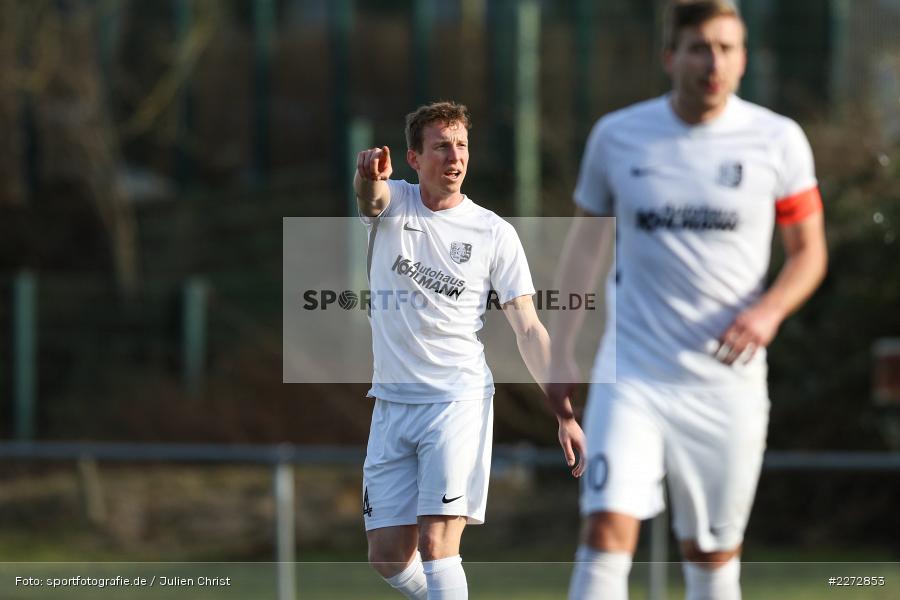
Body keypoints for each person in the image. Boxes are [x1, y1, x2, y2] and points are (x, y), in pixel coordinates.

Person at [549, 1, 828, 598]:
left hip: (727, 384)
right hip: (634, 375)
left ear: (744, 59)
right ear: (670, 56)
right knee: (603, 532)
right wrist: (561, 349)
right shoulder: (617, 136)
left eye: (727, 49)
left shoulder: (778, 140)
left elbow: (809, 252)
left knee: (711, 558)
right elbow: (584, 250)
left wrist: (769, 311)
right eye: (700, 48)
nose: (713, 63)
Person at [355, 100, 587, 600]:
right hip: (391, 403)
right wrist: (368, 175)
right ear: (414, 158)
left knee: (437, 545)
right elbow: (370, 199)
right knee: (388, 557)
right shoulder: (396, 203)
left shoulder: (493, 232)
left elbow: (529, 329)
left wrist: (564, 413)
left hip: (455, 401)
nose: (455, 156)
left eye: (461, 145)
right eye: (441, 146)